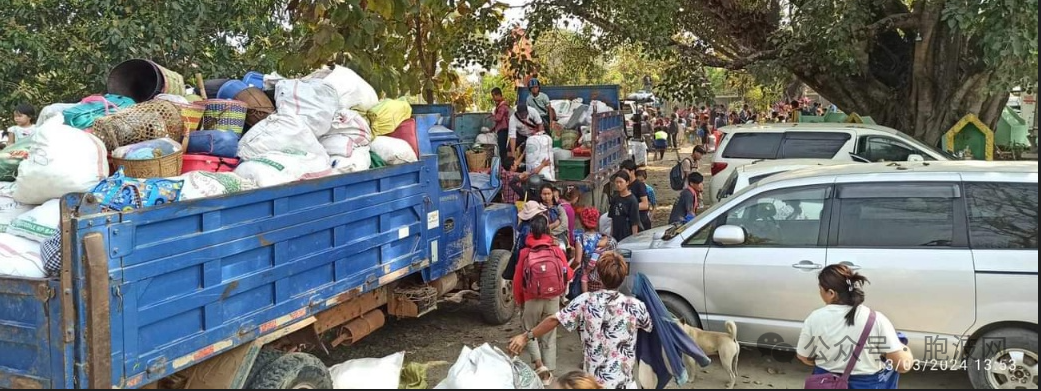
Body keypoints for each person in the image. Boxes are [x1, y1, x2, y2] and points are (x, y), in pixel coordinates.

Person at [509, 253, 651, 389]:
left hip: (592, 383)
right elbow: (651, 328)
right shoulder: (636, 306)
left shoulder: (585, 301)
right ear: (623, 277)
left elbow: (554, 320)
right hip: (624, 383)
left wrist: (525, 336)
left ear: (599, 276)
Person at [796, 264, 914, 389]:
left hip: (825, 383)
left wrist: (828, 363)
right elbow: (902, 366)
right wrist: (905, 349)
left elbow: (803, 356)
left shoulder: (815, 318)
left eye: (820, 289)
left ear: (831, 293)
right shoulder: (876, 319)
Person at [512, 213, 573, 385]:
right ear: (547, 230)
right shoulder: (556, 250)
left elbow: (517, 279)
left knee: (528, 330)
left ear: (531, 231)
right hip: (552, 297)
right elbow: (567, 274)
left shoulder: (525, 252)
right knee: (549, 332)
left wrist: (519, 299)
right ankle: (549, 373)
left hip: (531, 297)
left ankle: (539, 366)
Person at [573, 207, 616, 293]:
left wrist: (570, 270)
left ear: (582, 222)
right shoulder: (608, 240)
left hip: (589, 282)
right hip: (605, 280)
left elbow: (577, 261)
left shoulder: (581, 238)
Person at [608, 171, 640, 242]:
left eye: (621, 182)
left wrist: (634, 239)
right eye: (616, 182)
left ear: (627, 183)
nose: (618, 185)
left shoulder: (632, 200)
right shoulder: (615, 198)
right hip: (616, 235)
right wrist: (611, 235)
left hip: (627, 236)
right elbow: (613, 219)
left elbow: (634, 223)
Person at [619, 160, 651, 230]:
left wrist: (628, 206)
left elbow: (645, 205)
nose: (623, 174)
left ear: (632, 171)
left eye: (625, 172)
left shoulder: (639, 185)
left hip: (641, 222)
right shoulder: (625, 185)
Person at [540, 183, 570, 250]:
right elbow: (538, 227)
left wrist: (551, 233)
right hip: (542, 238)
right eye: (544, 194)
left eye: (549, 194)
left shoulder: (559, 208)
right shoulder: (537, 209)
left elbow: (564, 225)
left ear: (552, 194)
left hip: (559, 236)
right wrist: (554, 224)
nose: (547, 196)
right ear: (540, 195)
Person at [491, 88, 512, 157]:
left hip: (503, 129)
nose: (493, 98)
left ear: (499, 95)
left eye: (494, 96)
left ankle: (504, 164)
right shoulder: (501, 105)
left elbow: (499, 118)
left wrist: (492, 116)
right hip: (503, 129)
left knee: (502, 149)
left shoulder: (502, 106)